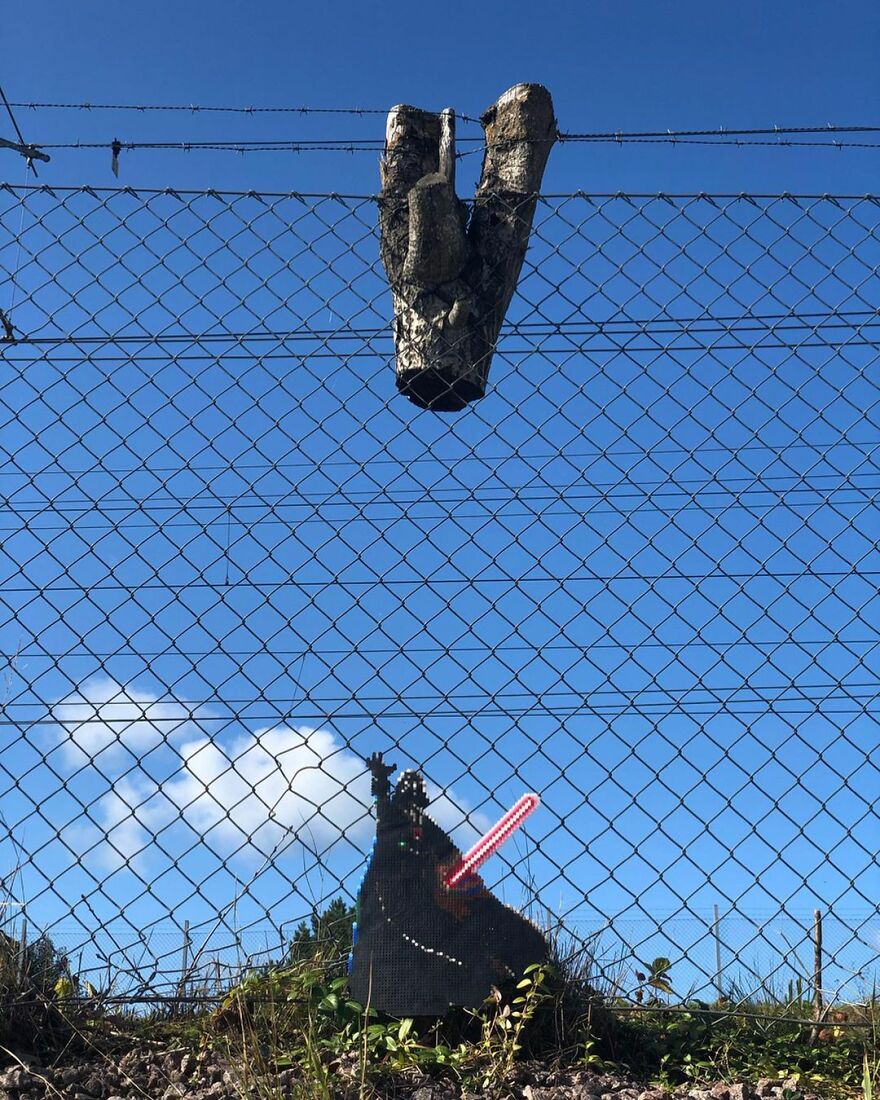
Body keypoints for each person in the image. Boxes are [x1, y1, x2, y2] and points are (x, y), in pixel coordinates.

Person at [348, 753, 548, 1015]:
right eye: (408, 796)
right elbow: (383, 806)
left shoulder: (426, 828)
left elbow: (450, 860)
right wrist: (379, 778)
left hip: (433, 903)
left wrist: (464, 889)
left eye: (415, 797)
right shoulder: (393, 822)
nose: (412, 803)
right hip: (397, 903)